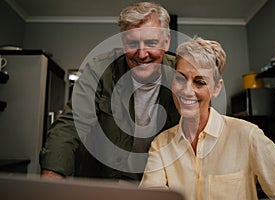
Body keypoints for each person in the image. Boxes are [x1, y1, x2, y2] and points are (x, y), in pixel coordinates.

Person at [139, 36, 275, 199]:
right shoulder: (161, 144)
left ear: (216, 88)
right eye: (180, 79)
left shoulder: (247, 135)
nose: (187, 91)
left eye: (199, 82)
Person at [40, 2, 180, 181]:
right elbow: (72, 124)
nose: (142, 53)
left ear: (166, 41)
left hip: (160, 182)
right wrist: (52, 177)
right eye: (132, 43)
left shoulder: (182, 73)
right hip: (106, 181)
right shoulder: (99, 69)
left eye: (151, 42)